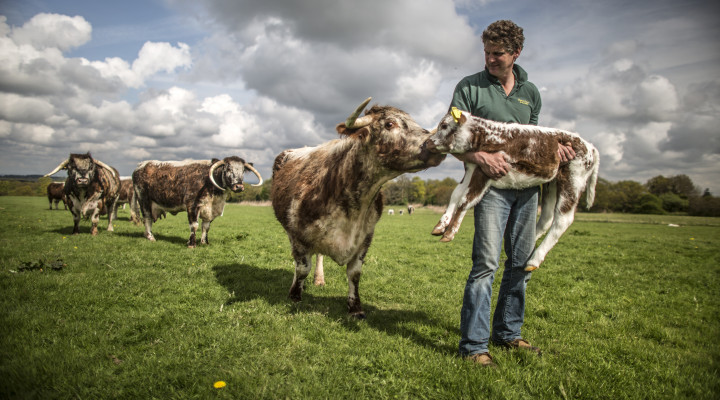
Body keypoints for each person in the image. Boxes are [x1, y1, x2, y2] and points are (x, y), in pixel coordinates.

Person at [449, 20, 575, 368]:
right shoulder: (469, 88)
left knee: (520, 264)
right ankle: (474, 346)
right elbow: (451, 140)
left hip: (528, 190)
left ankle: (508, 334)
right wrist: (479, 156)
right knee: (485, 265)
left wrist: (557, 153)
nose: (490, 59)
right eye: (486, 52)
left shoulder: (531, 93)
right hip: (490, 189)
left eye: (498, 54)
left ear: (516, 53)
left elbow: (535, 141)